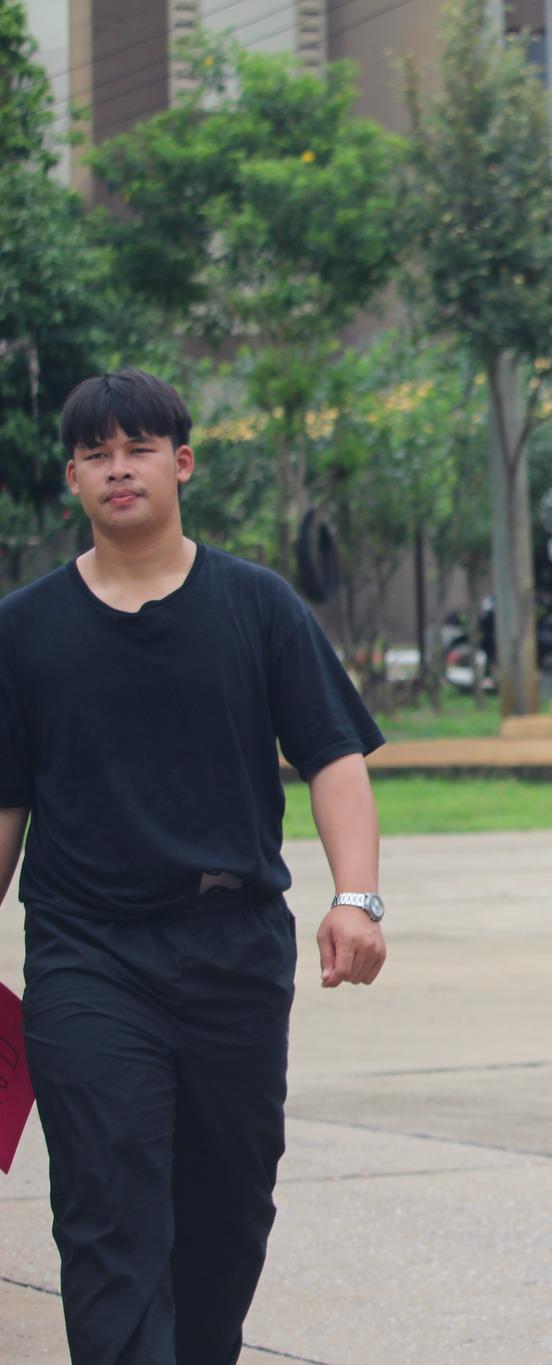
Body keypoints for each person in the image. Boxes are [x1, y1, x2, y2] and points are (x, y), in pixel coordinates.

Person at [0, 369, 387, 1364]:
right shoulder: (24, 629)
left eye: (137, 449)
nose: (116, 469)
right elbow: (6, 805)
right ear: (73, 479)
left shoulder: (256, 605)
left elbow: (334, 757)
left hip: (231, 949)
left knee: (226, 1209)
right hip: (87, 951)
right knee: (107, 1203)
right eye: (95, 454)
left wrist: (356, 897)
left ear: (182, 463)